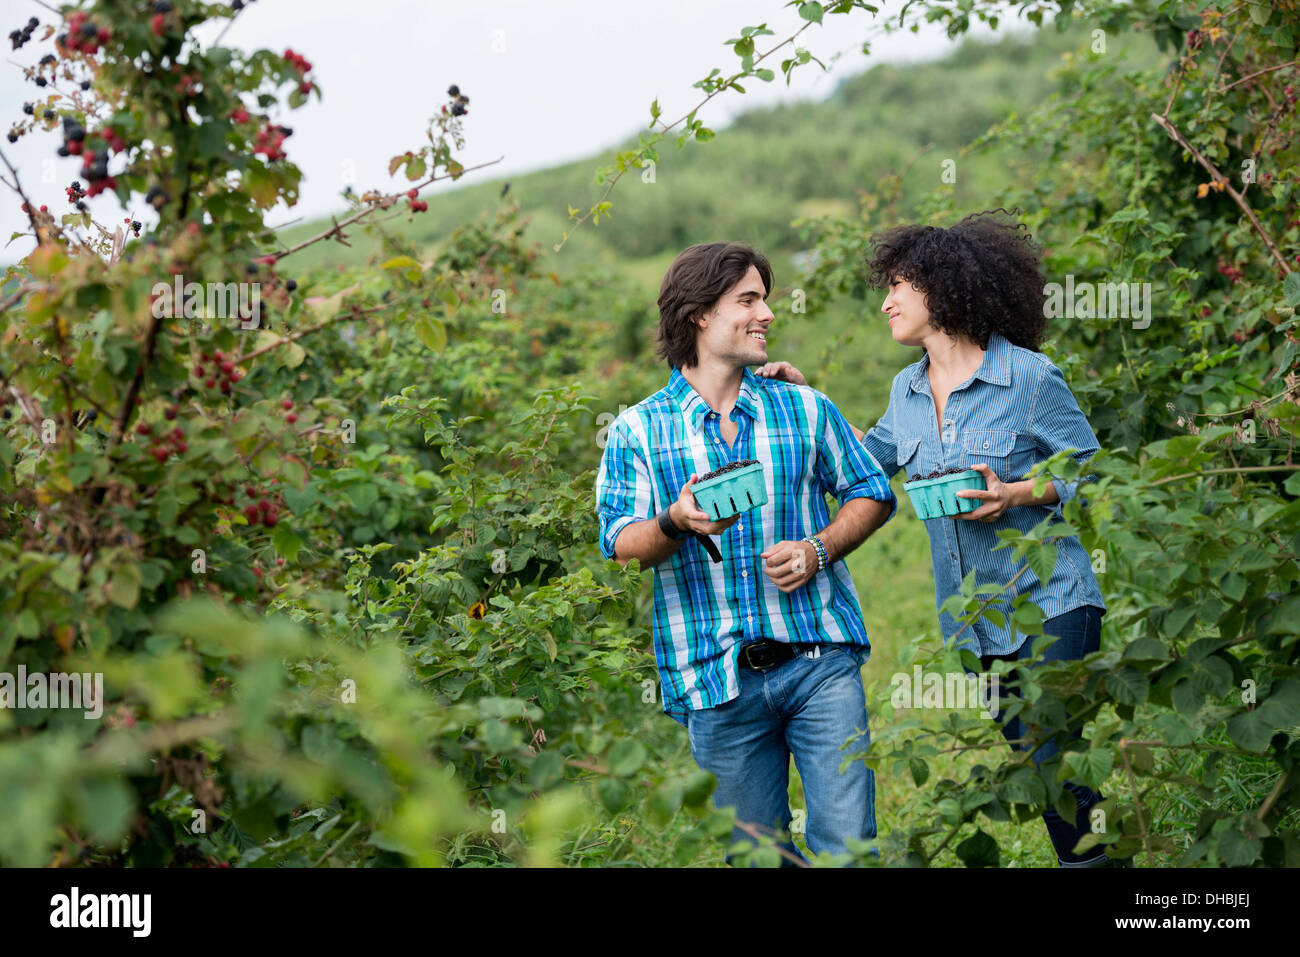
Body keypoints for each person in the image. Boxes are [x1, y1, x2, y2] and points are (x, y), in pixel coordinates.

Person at [756, 210, 1115, 867]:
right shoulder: (907, 389)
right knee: (1045, 773)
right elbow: (862, 463)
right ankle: (1100, 857)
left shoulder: (1030, 377)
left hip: (1055, 601)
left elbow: (1089, 468)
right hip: (976, 620)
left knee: (1047, 752)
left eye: (898, 285)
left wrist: (1015, 493)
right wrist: (807, 403)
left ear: (943, 288)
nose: (887, 301)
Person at [595, 241, 896, 866]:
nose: (767, 314)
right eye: (748, 301)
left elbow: (873, 490)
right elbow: (621, 547)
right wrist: (674, 521)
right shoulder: (637, 431)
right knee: (760, 861)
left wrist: (819, 549)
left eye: (766, 300)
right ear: (700, 314)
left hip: (820, 661)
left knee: (847, 851)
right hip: (715, 680)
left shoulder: (805, 406)